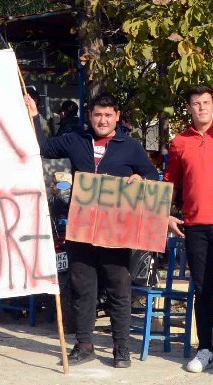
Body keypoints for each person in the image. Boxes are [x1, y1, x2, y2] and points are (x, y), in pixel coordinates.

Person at [26, 92, 159, 368]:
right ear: (90, 116)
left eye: (108, 115)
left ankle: (121, 349)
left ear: (117, 117)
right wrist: (35, 116)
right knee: (83, 288)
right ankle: (84, 345)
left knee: (118, 290)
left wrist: (139, 178)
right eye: (98, 114)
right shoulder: (77, 141)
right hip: (83, 228)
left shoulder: (130, 146)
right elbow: (43, 147)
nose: (103, 120)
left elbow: (151, 176)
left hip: (116, 232)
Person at [163, 85, 213, 373]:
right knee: (203, 288)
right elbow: (171, 182)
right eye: (196, 104)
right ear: (188, 108)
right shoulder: (179, 142)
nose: (201, 108)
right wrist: (166, 215)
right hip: (195, 226)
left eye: (206, 103)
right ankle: (205, 348)